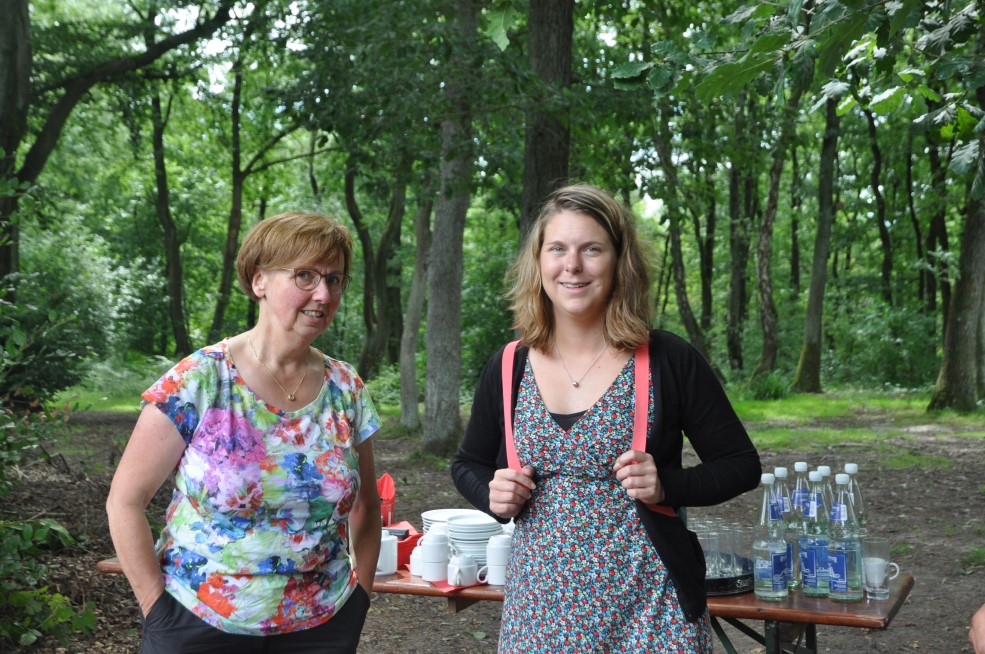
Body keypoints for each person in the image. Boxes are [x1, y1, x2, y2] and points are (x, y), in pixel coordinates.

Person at [451, 183, 761, 652]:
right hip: (539, 612)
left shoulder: (667, 359)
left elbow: (741, 464)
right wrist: (492, 494)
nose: (572, 265)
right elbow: (467, 463)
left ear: (619, 262)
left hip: (651, 612)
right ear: (538, 262)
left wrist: (668, 486)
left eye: (591, 249)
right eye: (557, 249)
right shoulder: (509, 365)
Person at [106, 212, 382, 653]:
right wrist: (157, 611)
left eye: (334, 279)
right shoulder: (198, 379)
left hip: (322, 625)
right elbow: (124, 500)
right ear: (259, 281)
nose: (324, 293)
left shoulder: (346, 387)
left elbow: (367, 507)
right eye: (305, 276)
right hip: (198, 621)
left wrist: (359, 599)